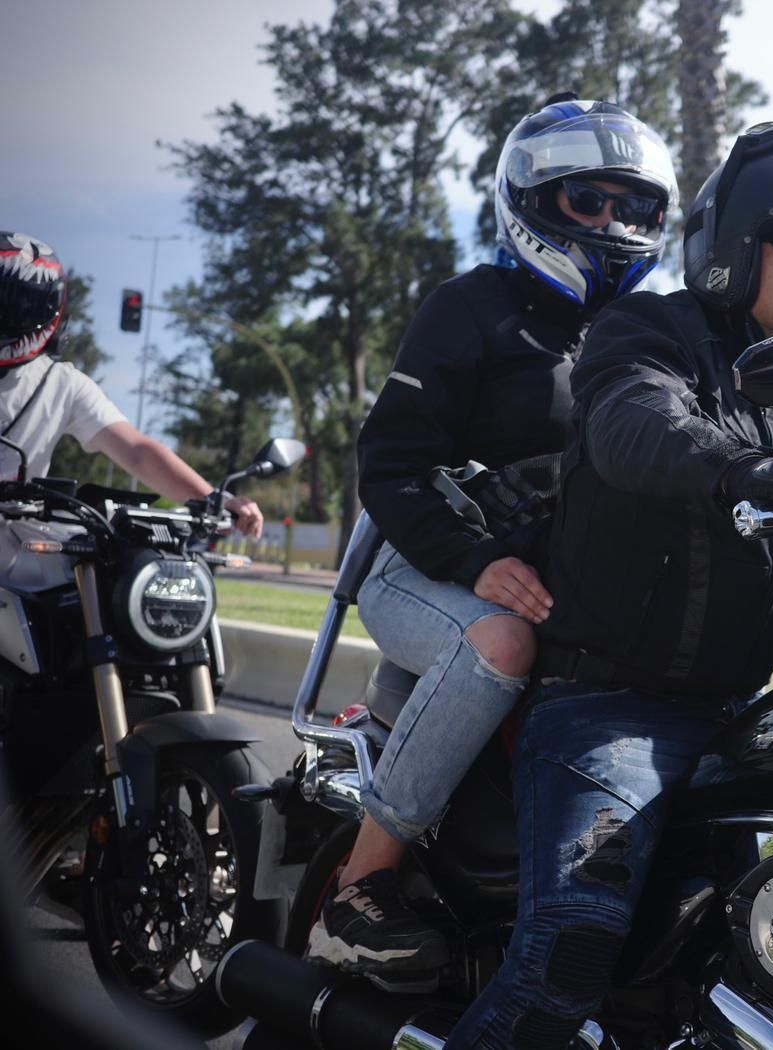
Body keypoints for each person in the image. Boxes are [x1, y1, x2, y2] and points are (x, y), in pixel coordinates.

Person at [447, 122, 773, 1049]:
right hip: (611, 711)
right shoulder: (649, 333)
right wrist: (746, 467)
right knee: (567, 959)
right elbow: (634, 422)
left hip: (745, 719)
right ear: (738, 248)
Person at [307, 97, 678, 978]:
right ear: (532, 201)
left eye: (632, 206)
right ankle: (360, 887)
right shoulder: (470, 308)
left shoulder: (639, 337)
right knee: (503, 643)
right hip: (418, 566)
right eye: (588, 200)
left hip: (548, 579)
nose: (611, 223)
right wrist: (475, 559)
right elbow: (389, 467)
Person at [0, 230, 264, 535]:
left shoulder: (61, 384)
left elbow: (138, 451)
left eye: (23, 306)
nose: (9, 315)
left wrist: (215, 501)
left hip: (20, 553)